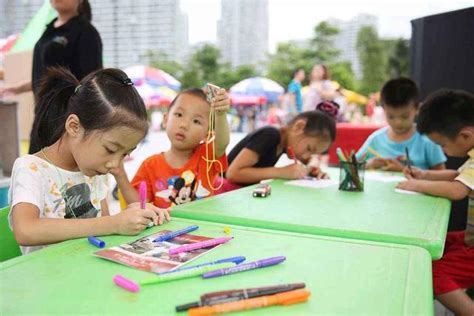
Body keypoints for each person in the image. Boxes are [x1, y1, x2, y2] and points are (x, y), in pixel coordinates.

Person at [8, 67, 170, 255]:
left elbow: (103, 230)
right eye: (110, 149)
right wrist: (113, 223)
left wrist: (131, 218)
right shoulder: (31, 168)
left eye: (124, 154)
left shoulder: (94, 171)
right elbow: (26, 230)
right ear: (74, 127)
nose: (114, 164)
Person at [396, 89, 474, 316]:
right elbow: (457, 176)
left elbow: (457, 190)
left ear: (465, 136)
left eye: (442, 145)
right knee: (435, 246)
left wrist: (416, 185)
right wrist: (424, 175)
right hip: (470, 237)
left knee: (433, 274)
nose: (443, 151)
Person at [0, 0, 103, 154]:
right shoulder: (49, 29)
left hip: (66, 122)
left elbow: (91, 81)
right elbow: (45, 76)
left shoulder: (85, 32)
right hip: (42, 118)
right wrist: (14, 89)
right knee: (34, 171)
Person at [115, 88, 230, 208]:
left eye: (196, 121)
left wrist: (220, 114)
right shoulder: (150, 165)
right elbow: (139, 204)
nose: (184, 125)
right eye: (179, 114)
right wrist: (120, 174)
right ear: (165, 120)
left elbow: (222, 143)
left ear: (207, 134)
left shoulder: (206, 156)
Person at [225, 103, 338, 186]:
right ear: (299, 127)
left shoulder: (285, 143)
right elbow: (233, 173)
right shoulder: (270, 135)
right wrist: (282, 172)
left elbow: (309, 160)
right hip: (224, 191)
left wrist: (313, 169)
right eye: (309, 149)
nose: (305, 156)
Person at [356, 78, 446, 171]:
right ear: (383, 109)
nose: (397, 122)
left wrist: (403, 169)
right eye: (391, 116)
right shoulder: (376, 139)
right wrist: (369, 164)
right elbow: (352, 166)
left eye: (404, 117)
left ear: (417, 109)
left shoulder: (428, 139)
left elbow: (442, 175)